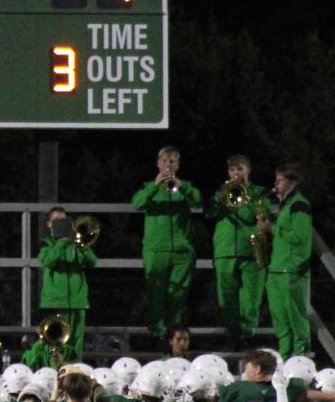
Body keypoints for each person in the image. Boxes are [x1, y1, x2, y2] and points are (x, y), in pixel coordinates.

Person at [132, 146, 200, 341]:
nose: (168, 165)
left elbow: (198, 201)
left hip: (182, 251)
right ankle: (158, 338)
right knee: (155, 297)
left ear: (178, 165)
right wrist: (155, 186)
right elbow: (137, 204)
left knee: (177, 298)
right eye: (164, 161)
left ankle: (174, 341)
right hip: (156, 250)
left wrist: (181, 186)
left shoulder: (185, 187)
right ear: (158, 163)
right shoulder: (149, 187)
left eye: (172, 162)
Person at [207, 154, 269, 342]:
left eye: (240, 169)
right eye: (232, 170)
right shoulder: (223, 191)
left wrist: (246, 198)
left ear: (248, 170)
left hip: (251, 249)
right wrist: (219, 196)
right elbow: (209, 213)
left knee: (251, 298)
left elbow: (261, 218)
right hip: (225, 250)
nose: (236, 173)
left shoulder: (258, 192)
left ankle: (248, 334)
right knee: (226, 298)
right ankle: (234, 337)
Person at [261, 164, 314, 360]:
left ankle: (300, 356)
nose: (275, 184)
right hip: (275, 269)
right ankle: (284, 358)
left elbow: (299, 236)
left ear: (292, 183)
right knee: (280, 319)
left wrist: (271, 228)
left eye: (280, 180)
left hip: (291, 268)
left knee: (295, 316)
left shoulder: (300, 204)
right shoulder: (284, 206)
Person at [37, 207, 96, 358]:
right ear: (49, 224)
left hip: (78, 301)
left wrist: (81, 244)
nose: (61, 224)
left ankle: (75, 375)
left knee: (77, 343)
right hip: (55, 302)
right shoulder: (46, 244)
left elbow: (92, 261)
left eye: (64, 220)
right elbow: (48, 261)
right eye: (57, 220)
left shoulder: (75, 244)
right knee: (56, 343)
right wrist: (61, 243)